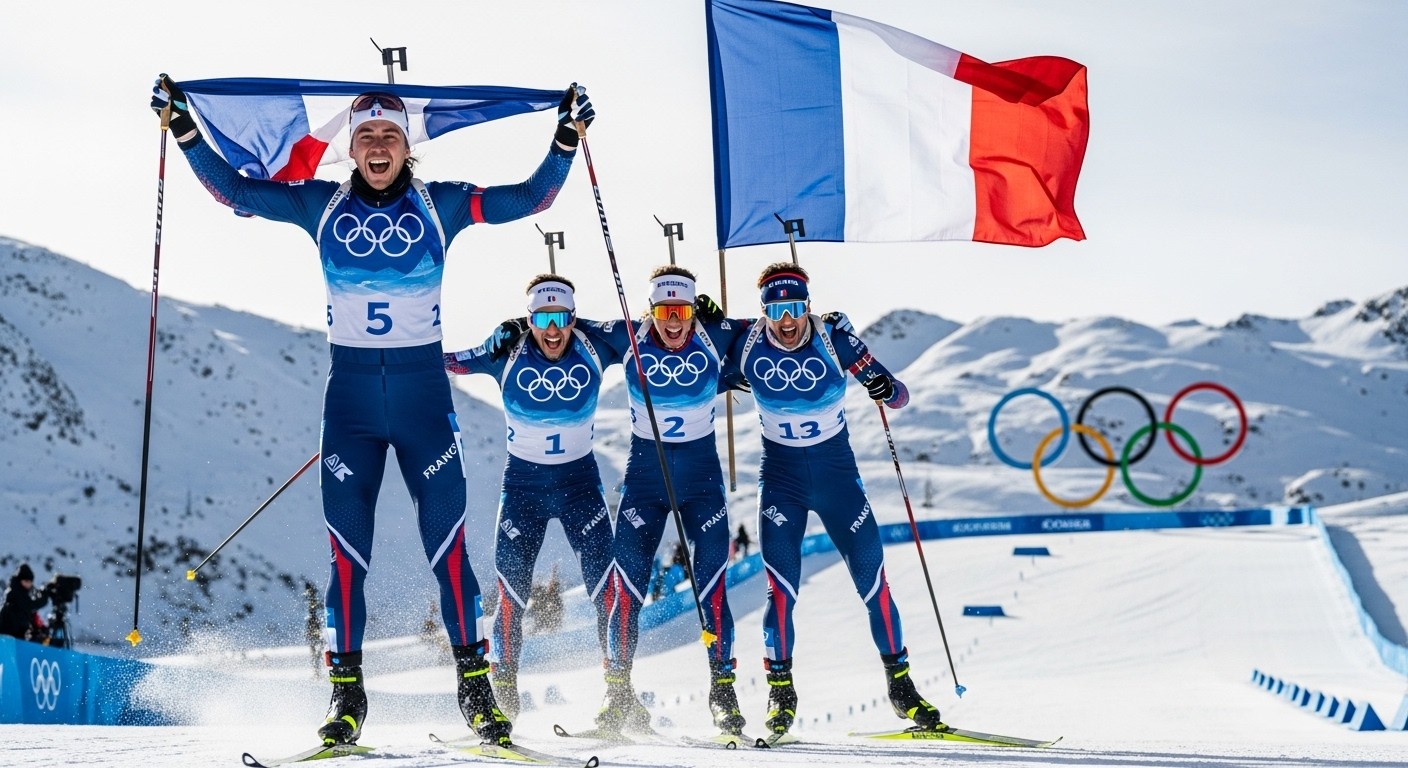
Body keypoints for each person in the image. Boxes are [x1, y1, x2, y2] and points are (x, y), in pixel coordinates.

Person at [149, 75, 594, 748]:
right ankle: (346, 696)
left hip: (422, 402)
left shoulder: (439, 205)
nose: (379, 145)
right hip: (351, 404)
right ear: (350, 149)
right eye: (366, 136)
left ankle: (476, 693)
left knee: (447, 553)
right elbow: (234, 191)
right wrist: (185, 128)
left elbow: (532, 197)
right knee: (345, 557)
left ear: (407, 145)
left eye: (390, 134)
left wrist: (564, 138)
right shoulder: (319, 208)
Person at [722, 263, 944, 736]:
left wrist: (886, 388)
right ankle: (781, 695)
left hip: (838, 480)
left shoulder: (834, 340)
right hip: (782, 482)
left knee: (874, 584)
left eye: (796, 306)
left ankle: (901, 687)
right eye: (777, 309)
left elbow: (899, 395)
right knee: (780, 592)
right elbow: (691, 365)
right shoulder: (745, 343)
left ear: (808, 304)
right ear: (764, 311)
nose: (788, 319)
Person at [579, 266, 750, 736]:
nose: (673, 322)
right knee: (626, 590)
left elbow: (780, 329)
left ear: (694, 310)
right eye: (663, 311)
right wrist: (514, 328)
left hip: (701, 487)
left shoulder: (715, 334)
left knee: (712, 586)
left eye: (682, 311)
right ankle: (617, 698)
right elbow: (564, 322)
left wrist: (834, 323)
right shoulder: (630, 337)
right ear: (649, 310)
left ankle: (723, 694)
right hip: (644, 486)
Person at [443, 274, 618, 719]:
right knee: (509, 594)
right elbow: (447, 362)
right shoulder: (507, 351)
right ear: (529, 319)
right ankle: (503, 693)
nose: (553, 330)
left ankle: (620, 693)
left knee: (608, 590)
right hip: (522, 489)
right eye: (543, 318)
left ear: (573, 317)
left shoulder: (595, 345)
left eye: (561, 317)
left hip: (581, 487)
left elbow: (659, 332)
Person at [1, 563, 48, 641]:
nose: (28, 584)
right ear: (20, 580)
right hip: (8, 639)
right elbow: (30, 605)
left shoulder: (21, 593)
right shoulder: (16, 592)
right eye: (26, 580)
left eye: (30, 581)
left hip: (14, 638)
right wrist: (44, 598)